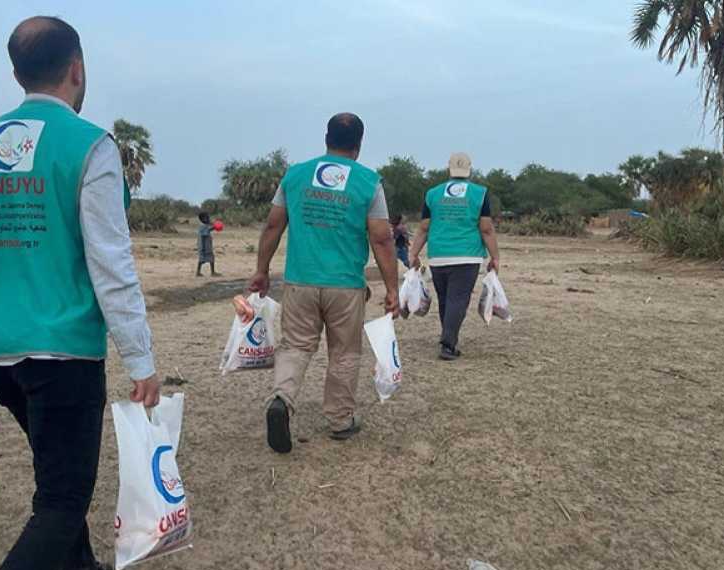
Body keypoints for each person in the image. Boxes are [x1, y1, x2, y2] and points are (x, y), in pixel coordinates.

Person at [0, 16, 160, 570]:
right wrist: (141, 361)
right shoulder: (90, 146)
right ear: (77, 68)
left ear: (16, 74)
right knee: (61, 501)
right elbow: (110, 263)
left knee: (54, 466)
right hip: (63, 354)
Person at [248, 113, 399, 453]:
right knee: (344, 353)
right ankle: (340, 420)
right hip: (345, 285)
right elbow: (382, 239)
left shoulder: (295, 175)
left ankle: (282, 400)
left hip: (300, 280)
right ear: (358, 145)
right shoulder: (368, 182)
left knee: (296, 346)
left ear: (325, 138)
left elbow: (273, 226)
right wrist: (392, 288)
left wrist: (261, 269)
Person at [409, 152, 500, 361]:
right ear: (469, 170)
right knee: (458, 299)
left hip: (438, 255)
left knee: (446, 299)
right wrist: (495, 257)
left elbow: (424, 228)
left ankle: (449, 337)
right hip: (467, 256)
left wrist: (413, 253)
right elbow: (486, 229)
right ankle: (448, 343)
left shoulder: (433, 194)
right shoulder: (479, 193)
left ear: (448, 168)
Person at [196, 211, 221, 276]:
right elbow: (207, 230)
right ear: (203, 219)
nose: (209, 219)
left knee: (204, 259)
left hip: (205, 246)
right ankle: (212, 272)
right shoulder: (203, 226)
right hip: (204, 247)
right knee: (206, 259)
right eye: (207, 218)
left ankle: (198, 272)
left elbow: (208, 229)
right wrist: (214, 226)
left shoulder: (203, 226)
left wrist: (213, 226)